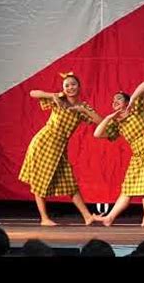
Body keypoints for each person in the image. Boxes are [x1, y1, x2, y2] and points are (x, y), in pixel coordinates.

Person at [19, 72, 103, 226]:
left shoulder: (82, 107)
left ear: (79, 87)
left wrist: (84, 111)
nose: (70, 88)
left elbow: (101, 122)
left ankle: (88, 217)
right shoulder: (58, 100)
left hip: (60, 148)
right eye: (67, 85)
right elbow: (33, 93)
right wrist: (53, 95)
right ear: (63, 88)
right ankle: (44, 218)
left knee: (70, 183)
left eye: (73, 84)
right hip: (44, 143)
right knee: (39, 180)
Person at [93, 81, 144, 227]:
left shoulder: (136, 109)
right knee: (128, 187)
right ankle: (110, 217)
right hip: (138, 153)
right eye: (113, 100)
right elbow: (97, 134)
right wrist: (108, 118)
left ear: (126, 102)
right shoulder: (117, 124)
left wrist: (132, 101)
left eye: (119, 99)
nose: (115, 101)